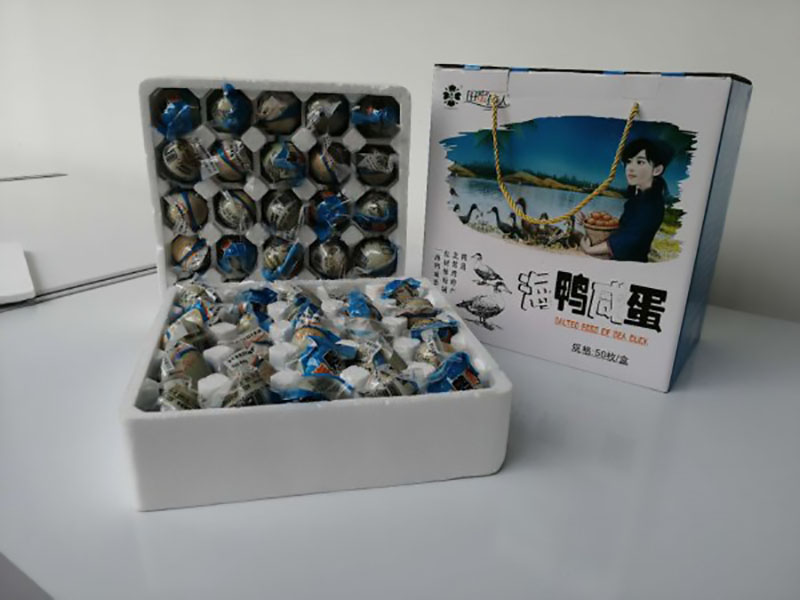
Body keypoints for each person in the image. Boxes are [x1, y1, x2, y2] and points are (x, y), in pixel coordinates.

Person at [579, 138, 674, 262]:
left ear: (657, 170)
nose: (630, 168)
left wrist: (589, 250)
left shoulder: (651, 205)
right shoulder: (639, 198)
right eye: (629, 162)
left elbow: (628, 240)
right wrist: (590, 223)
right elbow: (625, 229)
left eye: (640, 162)